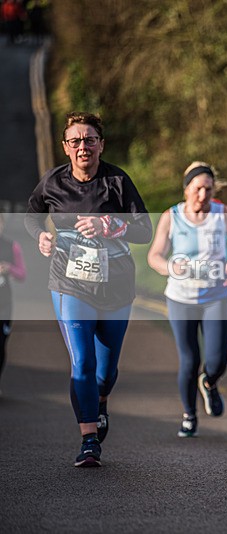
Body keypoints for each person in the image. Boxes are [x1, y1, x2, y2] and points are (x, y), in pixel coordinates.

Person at [25, 111, 153, 467]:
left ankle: (100, 402)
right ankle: (89, 440)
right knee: (82, 363)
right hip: (69, 284)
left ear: (101, 145)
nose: (83, 146)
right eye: (75, 141)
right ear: (66, 147)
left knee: (104, 373)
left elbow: (145, 231)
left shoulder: (118, 182)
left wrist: (113, 227)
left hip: (115, 286)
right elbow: (32, 214)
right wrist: (43, 237)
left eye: (90, 139)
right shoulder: (53, 182)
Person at [147, 162, 227, 438]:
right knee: (189, 360)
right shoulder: (172, 216)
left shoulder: (222, 213)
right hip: (181, 298)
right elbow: (154, 256)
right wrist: (170, 268)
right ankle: (189, 415)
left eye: (208, 189)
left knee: (217, 361)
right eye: (198, 188)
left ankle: (211, 383)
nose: (203, 195)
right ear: (186, 188)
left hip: (216, 295)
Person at [0, 213, 26, 395]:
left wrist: (9, 268)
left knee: (0, 345)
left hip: (4, 304)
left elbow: (22, 274)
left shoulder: (11, 246)